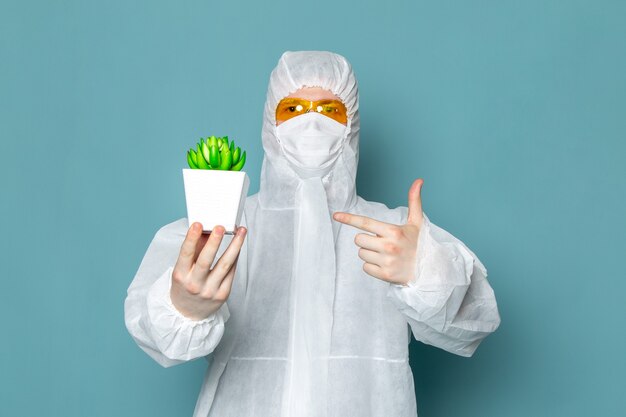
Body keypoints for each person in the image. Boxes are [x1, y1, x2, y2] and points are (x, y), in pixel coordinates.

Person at [124, 50, 501, 417]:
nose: (311, 122)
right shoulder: (222, 227)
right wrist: (183, 307)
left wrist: (424, 272)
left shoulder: (394, 234)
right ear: (270, 123)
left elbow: (474, 324)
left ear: (351, 123)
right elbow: (157, 335)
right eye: (293, 109)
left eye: (328, 110)